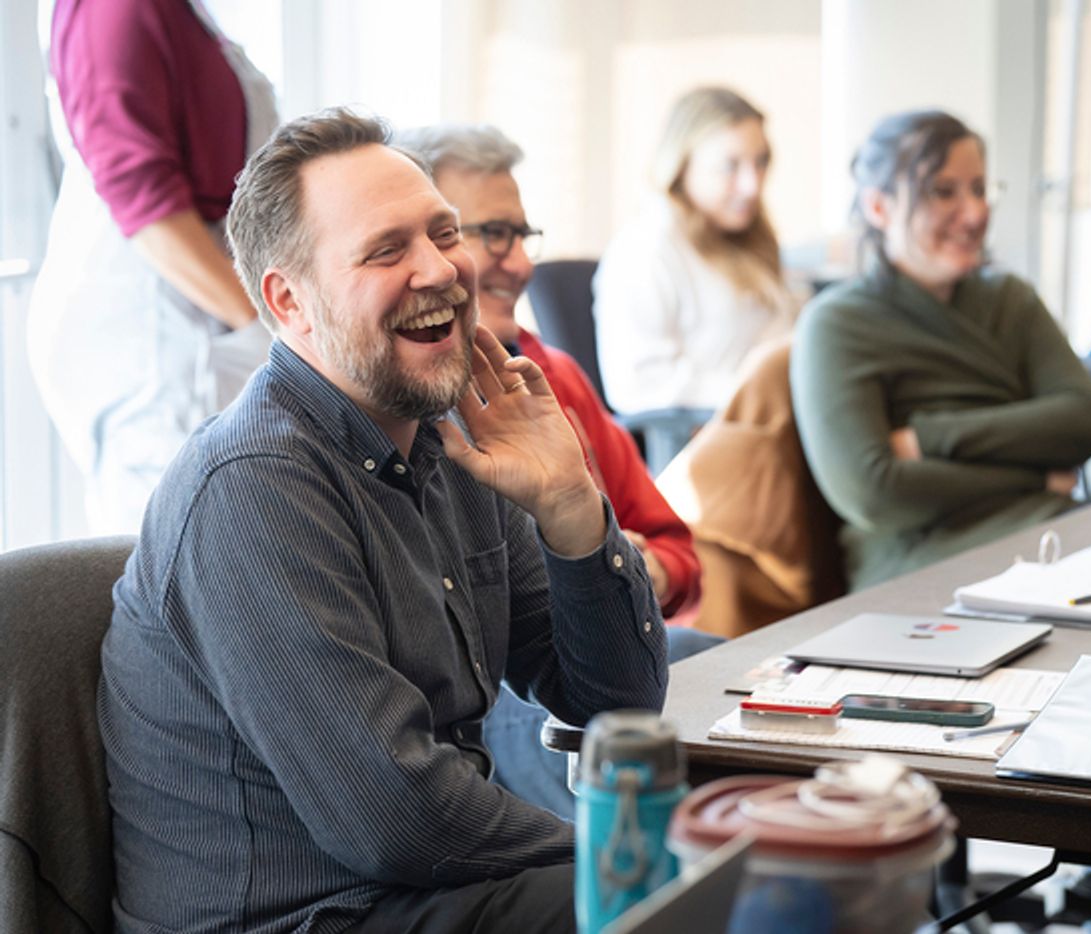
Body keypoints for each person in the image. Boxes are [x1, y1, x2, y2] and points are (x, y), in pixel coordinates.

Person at [99, 108, 668, 934]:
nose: (440, 269)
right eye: (386, 249)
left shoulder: (457, 449)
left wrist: (572, 510)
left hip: (418, 896)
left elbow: (615, 704)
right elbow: (398, 818)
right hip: (303, 917)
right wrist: (628, 857)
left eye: (444, 234)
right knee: (679, 901)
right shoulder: (253, 488)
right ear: (289, 302)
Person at [396, 123, 720, 817]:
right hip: (512, 689)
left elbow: (678, 552)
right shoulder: (420, 409)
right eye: (488, 234)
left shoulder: (559, 375)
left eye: (521, 234)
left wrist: (616, 563)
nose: (515, 262)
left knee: (734, 680)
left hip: (619, 648)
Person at [791, 110, 1091, 592]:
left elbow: (1082, 421)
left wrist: (929, 437)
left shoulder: (1010, 299)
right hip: (925, 566)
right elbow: (873, 492)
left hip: (1057, 533)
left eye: (980, 189)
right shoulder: (838, 324)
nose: (975, 213)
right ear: (879, 207)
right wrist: (1036, 478)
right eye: (943, 191)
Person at [28, 0, 278, 533]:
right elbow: (145, 205)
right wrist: (264, 323)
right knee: (180, 546)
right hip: (155, 329)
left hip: (198, 318)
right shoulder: (114, 7)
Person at [593, 86, 798, 415]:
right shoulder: (646, 249)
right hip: (719, 438)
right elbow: (636, 384)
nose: (752, 185)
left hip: (774, 421)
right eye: (729, 166)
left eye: (761, 162)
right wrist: (754, 391)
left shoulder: (745, 238)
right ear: (681, 165)